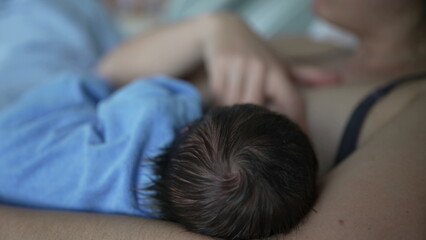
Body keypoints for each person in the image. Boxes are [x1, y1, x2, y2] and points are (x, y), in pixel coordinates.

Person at [1, 0, 426, 240]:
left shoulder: (413, 123)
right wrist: (214, 27)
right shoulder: (312, 44)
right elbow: (111, 70)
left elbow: (107, 83)